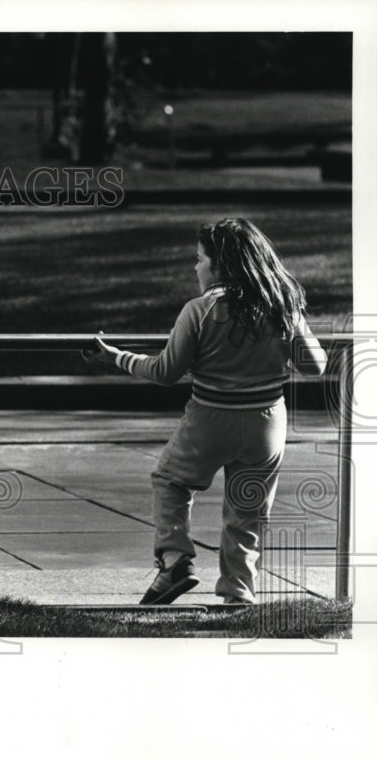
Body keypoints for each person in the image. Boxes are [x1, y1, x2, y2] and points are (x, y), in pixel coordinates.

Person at [84, 218, 327, 605]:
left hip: (209, 418)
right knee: (247, 509)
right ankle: (238, 592)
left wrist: (118, 358)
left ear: (219, 266)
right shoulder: (281, 308)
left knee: (170, 481)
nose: (194, 268)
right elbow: (315, 365)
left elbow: (165, 372)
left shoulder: (199, 310)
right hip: (266, 422)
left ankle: (176, 558)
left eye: (199, 260)